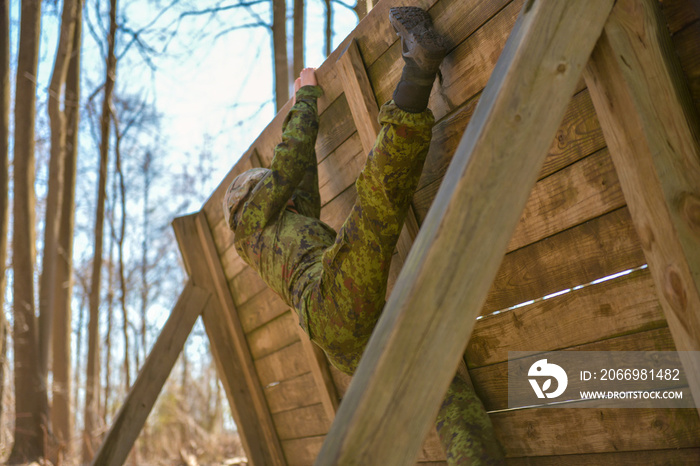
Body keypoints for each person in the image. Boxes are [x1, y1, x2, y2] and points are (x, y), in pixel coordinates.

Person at [223, 7, 504, 464]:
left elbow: (300, 178)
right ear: (251, 197)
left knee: (441, 395)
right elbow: (290, 163)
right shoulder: (250, 223)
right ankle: (418, 68)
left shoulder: (276, 233)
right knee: (377, 201)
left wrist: (301, 107)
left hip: (339, 337)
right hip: (328, 300)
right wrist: (307, 99)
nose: (284, 196)